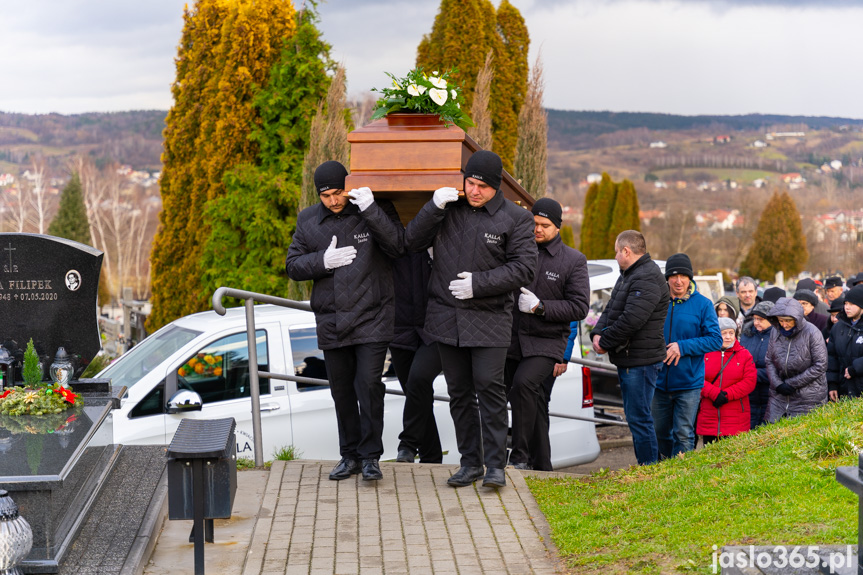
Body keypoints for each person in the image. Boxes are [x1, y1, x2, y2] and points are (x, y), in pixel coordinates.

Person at [405, 150, 537, 488]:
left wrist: (478, 284)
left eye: (482, 186)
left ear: (496, 188)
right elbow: (412, 242)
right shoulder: (448, 210)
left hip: (490, 319)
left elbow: (524, 268)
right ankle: (470, 463)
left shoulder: (516, 219)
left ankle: (495, 466)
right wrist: (432, 206)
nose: (474, 191)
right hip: (446, 318)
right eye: (470, 183)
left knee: (490, 390)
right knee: (459, 393)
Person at [285, 160, 405, 481]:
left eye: (339, 193)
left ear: (348, 188)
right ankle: (349, 455)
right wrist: (322, 260)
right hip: (331, 318)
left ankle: (371, 457)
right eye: (326, 196)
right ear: (318, 196)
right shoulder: (308, 220)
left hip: (373, 315)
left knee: (368, 386)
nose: (334, 201)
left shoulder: (374, 208)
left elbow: (397, 246)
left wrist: (371, 210)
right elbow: (293, 265)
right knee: (341, 390)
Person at [505, 198, 589, 471]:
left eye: (545, 225)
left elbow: (579, 306)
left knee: (524, 385)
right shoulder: (516, 251)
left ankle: (518, 457)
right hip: (512, 340)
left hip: (547, 342)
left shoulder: (573, 260)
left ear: (558, 227)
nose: (537, 230)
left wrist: (541, 307)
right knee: (534, 403)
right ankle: (542, 467)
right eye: (534, 224)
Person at [591, 230, 668, 465]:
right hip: (629, 359)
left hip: (640, 361)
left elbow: (632, 319)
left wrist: (605, 341)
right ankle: (648, 467)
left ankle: (649, 470)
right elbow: (611, 308)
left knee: (639, 418)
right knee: (636, 418)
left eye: (616, 251)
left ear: (626, 250)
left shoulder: (646, 277)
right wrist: (596, 333)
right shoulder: (629, 274)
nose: (615, 257)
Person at [653, 252, 722, 459]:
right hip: (656, 382)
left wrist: (682, 347)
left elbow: (715, 340)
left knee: (683, 434)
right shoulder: (656, 302)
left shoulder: (703, 304)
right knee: (659, 433)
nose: (678, 281)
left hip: (688, 384)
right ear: (667, 278)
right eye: (673, 276)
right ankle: (662, 475)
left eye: (683, 276)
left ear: (690, 278)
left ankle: (681, 477)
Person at [389, 250, 443, 464]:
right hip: (400, 325)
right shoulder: (391, 227)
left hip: (437, 325)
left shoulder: (440, 226)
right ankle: (431, 458)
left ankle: (408, 443)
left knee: (419, 379)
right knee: (416, 394)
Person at [764, 297, 827, 422]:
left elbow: (820, 364)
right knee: (773, 433)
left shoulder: (812, 332)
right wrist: (778, 384)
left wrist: (792, 383)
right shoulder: (775, 332)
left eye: (788, 321)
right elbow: (769, 360)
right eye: (781, 320)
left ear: (797, 318)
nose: (784, 324)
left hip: (808, 396)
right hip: (779, 395)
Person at [696, 317, 756, 444]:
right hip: (709, 416)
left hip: (736, 418)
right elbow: (696, 376)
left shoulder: (744, 355)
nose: (728, 337)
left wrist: (727, 395)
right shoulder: (704, 353)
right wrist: (713, 393)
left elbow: (749, 382)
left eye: (731, 333)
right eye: (724, 333)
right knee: (709, 459)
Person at [739, 301, 775, 428]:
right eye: (755, 319)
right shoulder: (747, 334)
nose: (756, 323)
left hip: (770, 393)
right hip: (749, 393)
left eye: (760, 319)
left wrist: (752, 374)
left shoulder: (778, 336)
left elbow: (779, 368)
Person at [826, 284, 863, 400]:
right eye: (846, 303)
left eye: (852, 304)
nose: (847, 307)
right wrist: (832, 384)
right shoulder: (838, 327)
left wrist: (856, 368)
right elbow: (832, 357)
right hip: (844, 388)